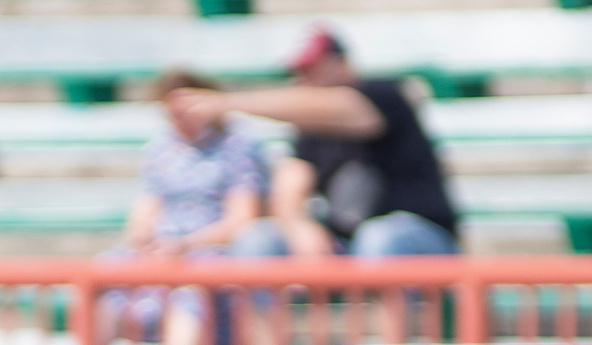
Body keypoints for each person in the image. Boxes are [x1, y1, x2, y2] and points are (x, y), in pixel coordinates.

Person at [186, 26, 462, 263]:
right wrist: (298, 225)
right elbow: (289, 185)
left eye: (312, 68)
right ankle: (261, 327)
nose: (304, 79)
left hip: (423, 238)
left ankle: (386, 327)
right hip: (350, 246)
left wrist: (227, 103)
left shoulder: (384, 95)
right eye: (300, 71)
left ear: (339, 62)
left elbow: (345, 109)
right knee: (260, 239)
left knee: (379, 238)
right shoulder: (311, 129)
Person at [98, 69, 269, 345]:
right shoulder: (161, 148)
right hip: (166, 247)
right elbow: (145, 211)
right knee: (105, 274)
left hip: (211, 249)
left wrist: (185, 245)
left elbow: (241, 219)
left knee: (189, 285)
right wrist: (145, 243)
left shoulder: (236, 147)